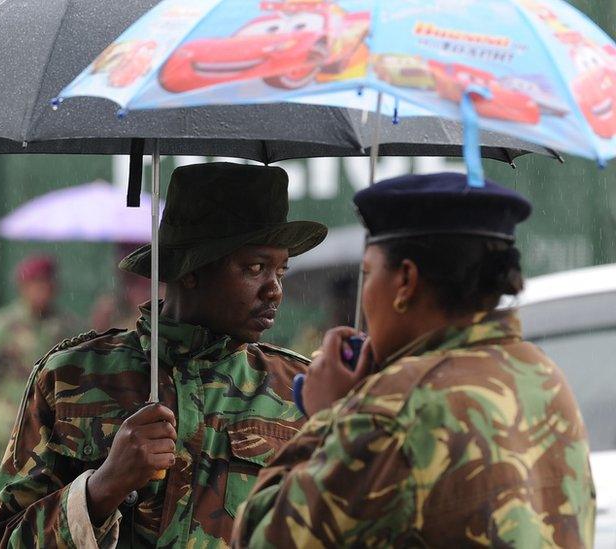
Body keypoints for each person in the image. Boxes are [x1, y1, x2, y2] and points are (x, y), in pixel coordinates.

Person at [233, 173, 596, 548]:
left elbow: (262, 538)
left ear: (405, 281)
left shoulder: (396, 406)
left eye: (369, 274)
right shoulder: (540, 373)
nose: (365, 296)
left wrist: (327, 417)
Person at [0, 162, 328, 548]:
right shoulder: (72, 377)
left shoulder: (299, 390)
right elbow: (4, 541)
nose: (275, 290)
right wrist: (103, 488)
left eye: (281, 271)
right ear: (190, 270)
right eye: (255, 267)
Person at [0, 254, 79, 473]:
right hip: (9, 420)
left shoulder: (67, 326)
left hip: (55, 424)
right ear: (23, 287)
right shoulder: (1, 327)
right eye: (35, 284)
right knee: (7, 481)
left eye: (46, 283)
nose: (42, 290)